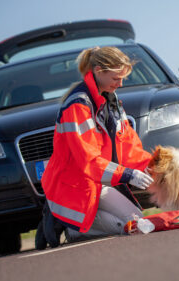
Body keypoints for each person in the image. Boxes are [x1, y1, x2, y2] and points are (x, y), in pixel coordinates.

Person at [40, 46, 153, 244]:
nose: (120, 84)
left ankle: (80, 222)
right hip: (76, 183)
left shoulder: (111, 99)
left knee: (139, 222)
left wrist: (150, 166)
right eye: (116, 78)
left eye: (123, 78)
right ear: (99, 71)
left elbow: (128, 145)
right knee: (135, 225)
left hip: (98, 181)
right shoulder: (78, 105)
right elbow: (88, 161)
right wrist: (128, 174)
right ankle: (69, 227)